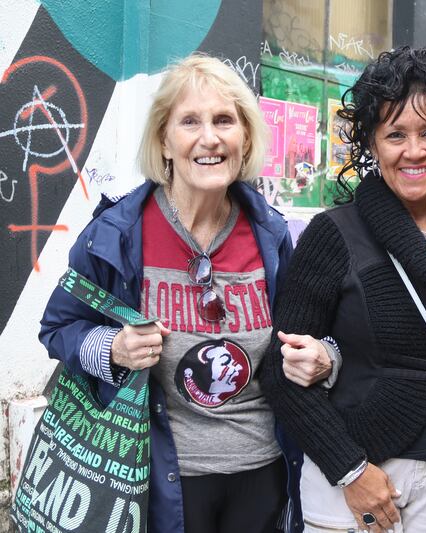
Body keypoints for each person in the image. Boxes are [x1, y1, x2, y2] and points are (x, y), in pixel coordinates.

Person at [39, 54, 336, 533]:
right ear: (164, 140)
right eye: (190, 122)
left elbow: (316, 337)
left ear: (244, 138)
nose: (210, 138)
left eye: (224, 120)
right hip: (157, 479)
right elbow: (58, 328)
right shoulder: (116, 235)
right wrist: (112, 349)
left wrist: (323, 356)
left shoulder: (271, 234)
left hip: (262, 474)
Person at [260, 47, 426, 532]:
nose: (414, 151)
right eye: (395, 135)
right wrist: (348, 469)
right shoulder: (335, 234)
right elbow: (277, 368)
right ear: (372, 142)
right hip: (348, 476)